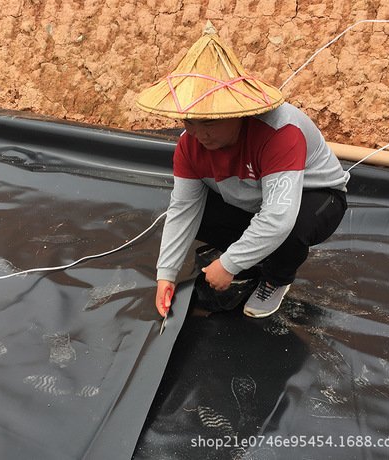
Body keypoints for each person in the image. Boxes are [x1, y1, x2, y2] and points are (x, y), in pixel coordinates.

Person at [136, 22, 349, 318]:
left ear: (236, 112)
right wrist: (166, 275)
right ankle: (254, 258)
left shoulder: (279, 132)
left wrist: (228, 264)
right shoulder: (190, 144)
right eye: (189, 122)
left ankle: (276, 278)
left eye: (209, 122)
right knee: (198, 215)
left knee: (290, 228)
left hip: (315, 195)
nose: (199, 134)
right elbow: (183, 208)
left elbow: (278, 217)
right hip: (256, 197)